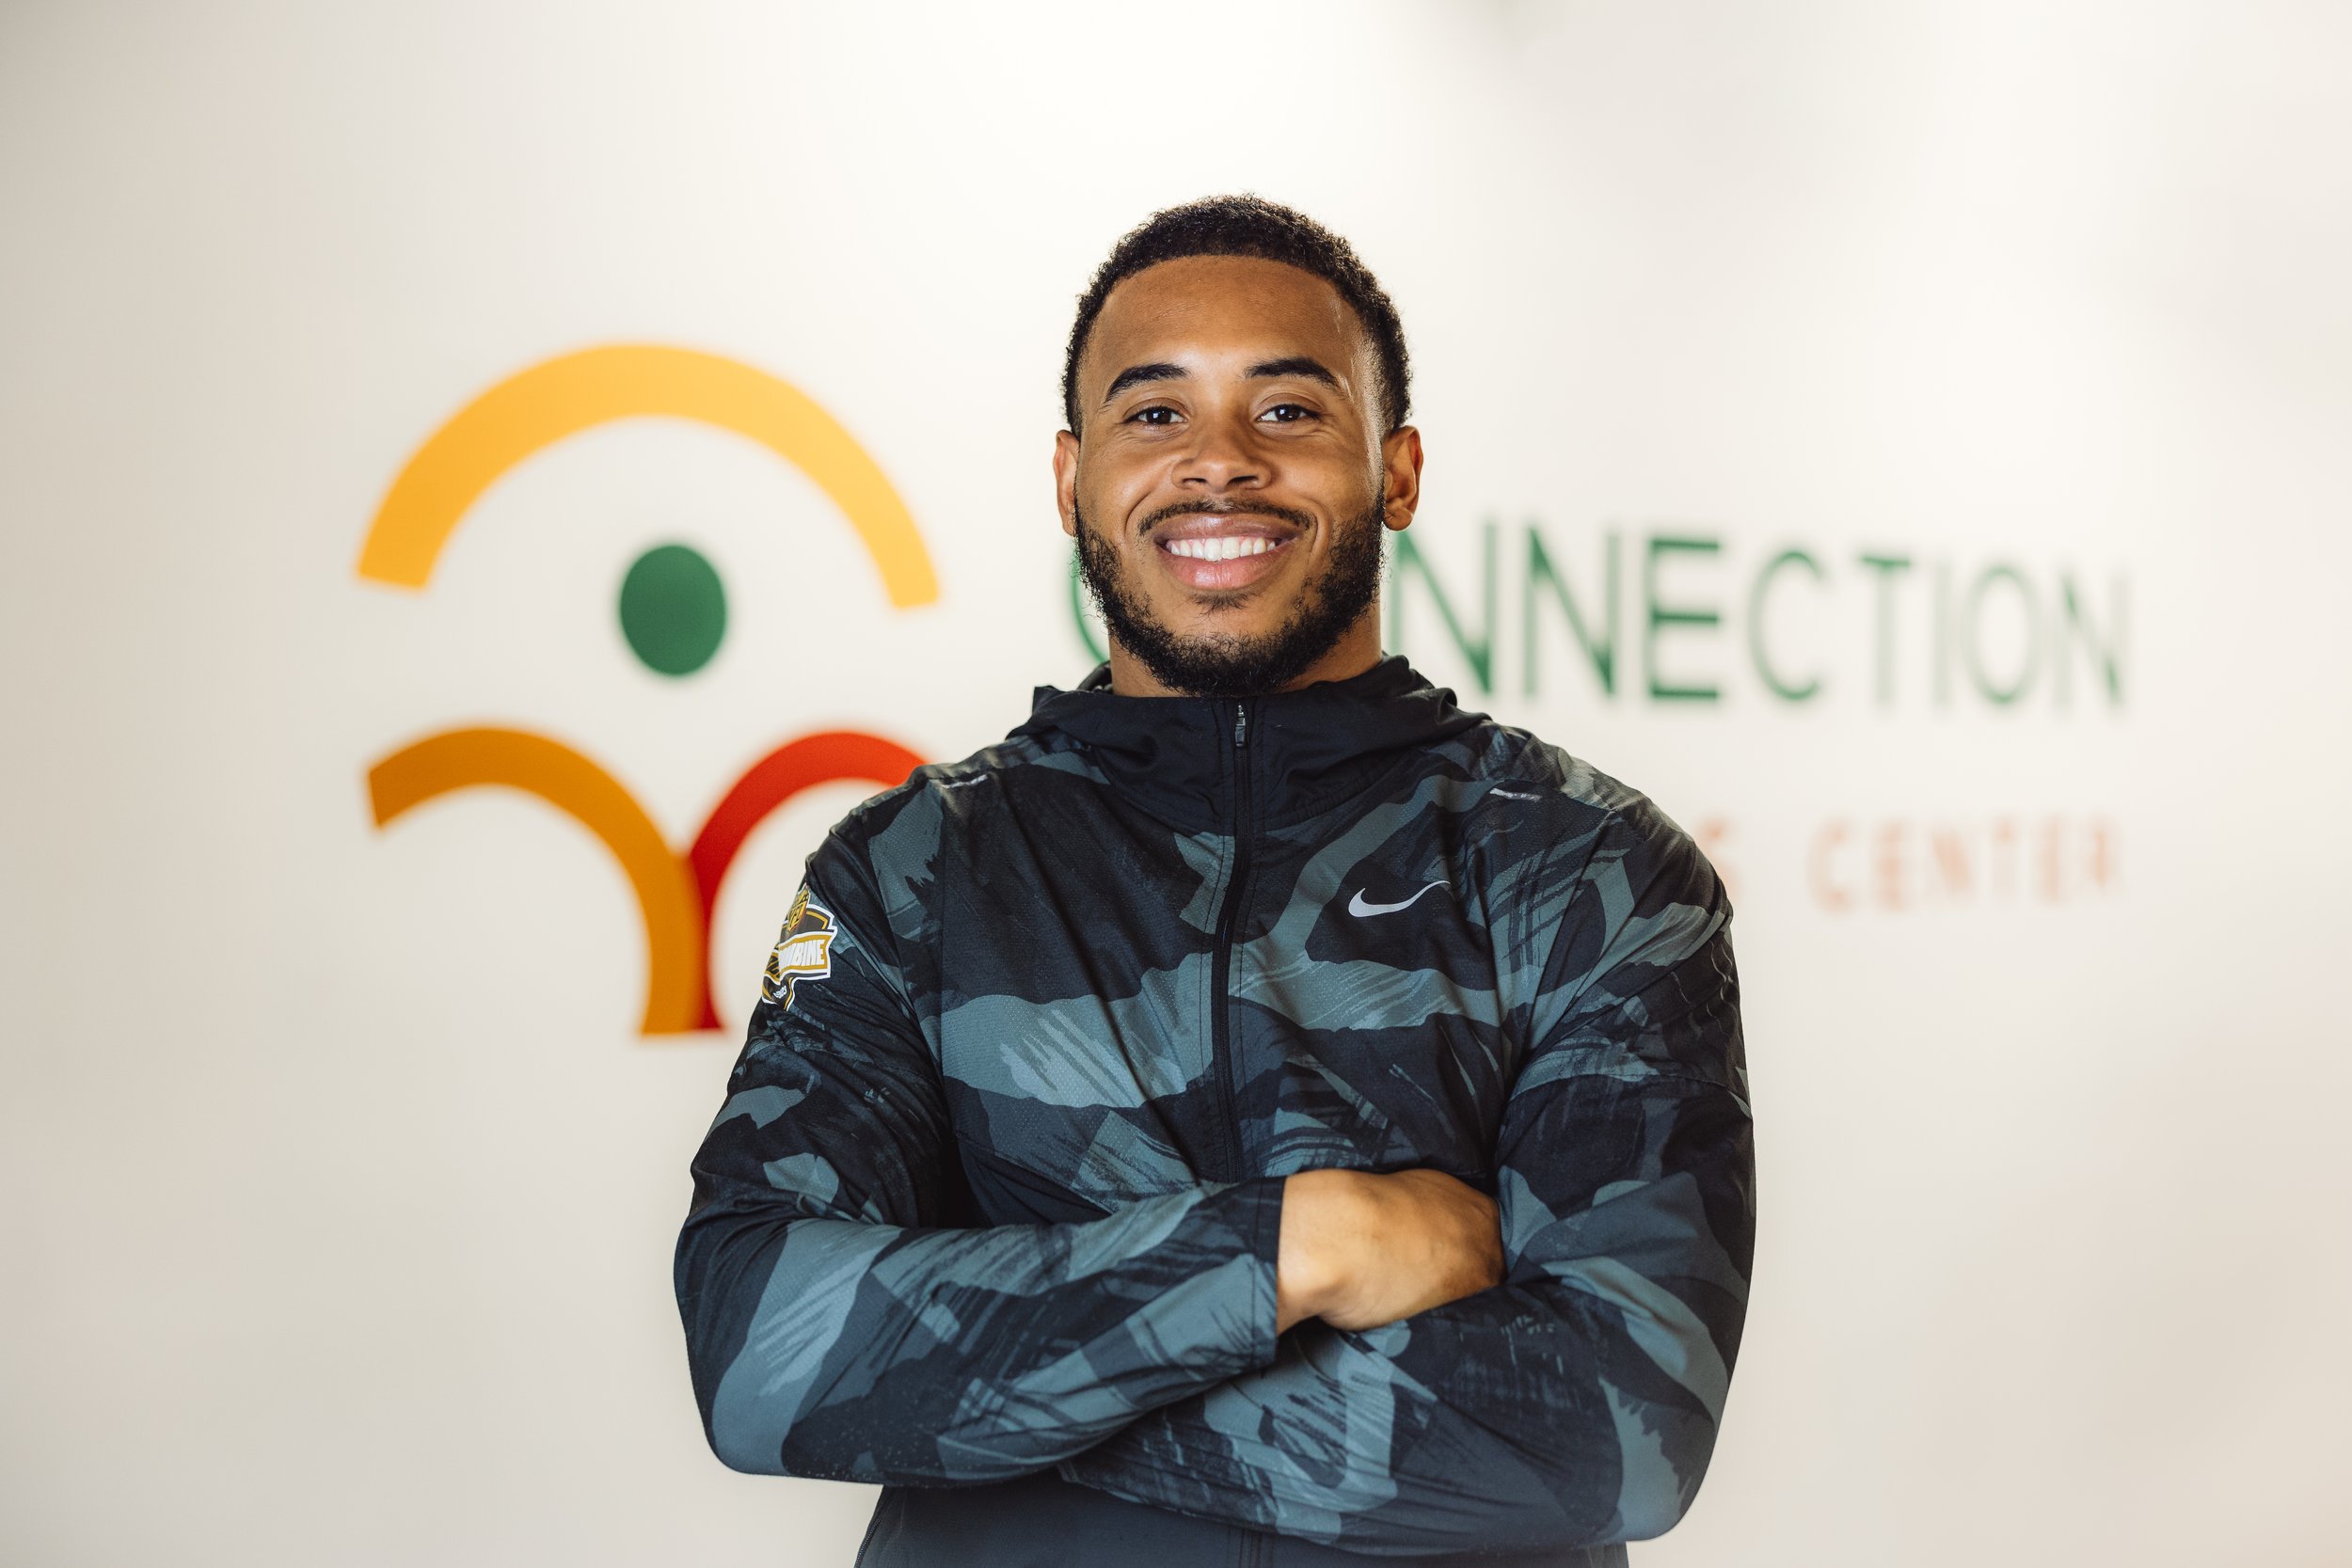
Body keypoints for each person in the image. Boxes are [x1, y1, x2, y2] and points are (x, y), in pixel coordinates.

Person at [675, 196, 1754, 1567]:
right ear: (1072, 478)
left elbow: (1617, 1433)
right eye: (1155, 413)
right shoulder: (911, 870)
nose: (1221, 463)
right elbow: (757, 1346)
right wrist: (1299, 1243)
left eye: (1289, 410)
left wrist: (989, 1395)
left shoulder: (1587, 866)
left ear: (1398, 471)